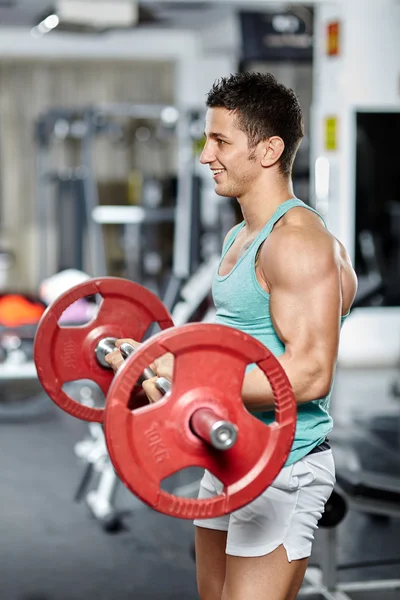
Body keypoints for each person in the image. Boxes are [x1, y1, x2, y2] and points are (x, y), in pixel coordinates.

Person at [106, 72, 358, 600]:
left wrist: (189, 376)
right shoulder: (240, 236)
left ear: (269, 150)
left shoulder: (299, 243)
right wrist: (159, 372)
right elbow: (242, 347)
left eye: (220, 140)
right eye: (207, 139)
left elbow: (310, 374)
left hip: (281, 466)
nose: (205, 156)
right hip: (228, 451)